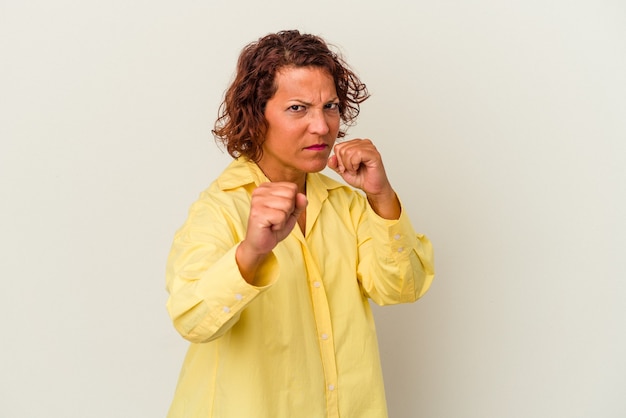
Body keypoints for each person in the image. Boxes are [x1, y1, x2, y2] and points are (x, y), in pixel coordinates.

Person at [165, 29, 435, 418]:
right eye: (298, 108)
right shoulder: (221, 208)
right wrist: (252, 253)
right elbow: (192, 320)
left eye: (330, 106)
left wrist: (381, 197)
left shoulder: (348, 205)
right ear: (257, 115)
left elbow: (400, 289)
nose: (322, 127)